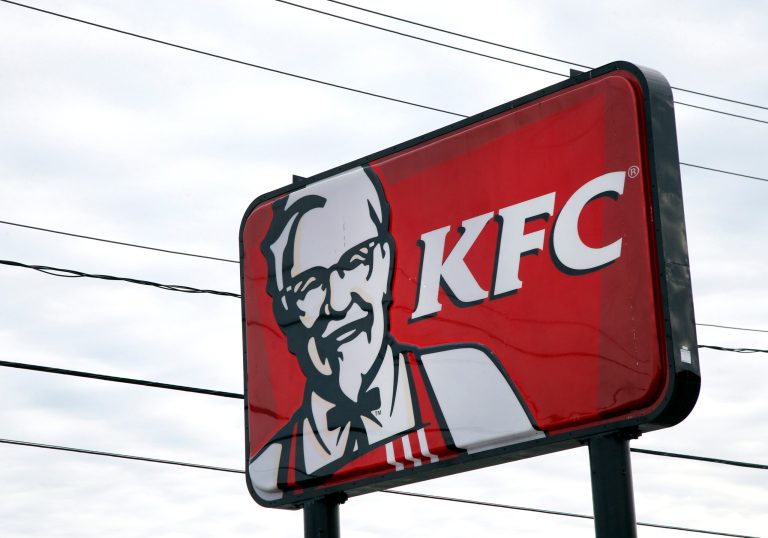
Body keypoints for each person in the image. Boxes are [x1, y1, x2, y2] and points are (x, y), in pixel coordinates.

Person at [248, 166, 543, 503]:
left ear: (385, 262)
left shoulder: (466, 381)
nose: (339, 301)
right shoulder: (271, 470)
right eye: (309, 284)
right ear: (285, 309)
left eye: (355, 262)